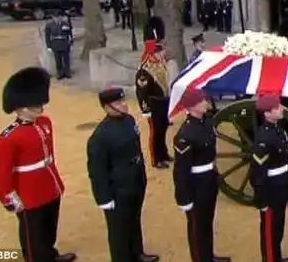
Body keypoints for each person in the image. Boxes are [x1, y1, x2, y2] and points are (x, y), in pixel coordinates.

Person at [0, 67, 77, 262]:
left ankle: (49, 255)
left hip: (49, 186)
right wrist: (10, 199)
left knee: (49, 229)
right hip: (29, 195)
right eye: (35, 105)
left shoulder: (44, 123)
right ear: (21, 107)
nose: (40, 108)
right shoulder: (8, 138)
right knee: (33, 238)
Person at [87, 87, 159, 262]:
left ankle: (137, 252)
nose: (124, 105)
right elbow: (97, 171)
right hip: (117, 189)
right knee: (118, 230)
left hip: (135, 181)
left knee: (134, 221)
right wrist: (104, 198)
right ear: (107, 107)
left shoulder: (129, 120)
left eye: (123, 100)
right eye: (118, 102)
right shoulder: (100, 136)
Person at [172, 88, 231, 262]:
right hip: (196, 185)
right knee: (197, 229)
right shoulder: (185, 135)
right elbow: (181, 171)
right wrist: (184, 199)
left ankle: (208, 256)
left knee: (207, 223)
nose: (205, 103)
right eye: (201, 101)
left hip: (209, 180)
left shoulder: (205, 123)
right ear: (191, 107)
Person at [249, 95, 288, 262]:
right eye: (277, 108)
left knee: (278, 228)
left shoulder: (277, 129)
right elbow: (257, 172)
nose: (282, 109)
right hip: (270, 191)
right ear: (267, 114)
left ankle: (276, 257)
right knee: (270, 232)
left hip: (280, 186)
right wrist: (262, 200)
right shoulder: (264, 138)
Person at [135, 40, 172, 169]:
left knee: (163, 129)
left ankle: (163, 154)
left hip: (163, 103)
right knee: (155, 132)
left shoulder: (160, 65)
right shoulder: (144, 72)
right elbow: (142, 93)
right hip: (153, 105)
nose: (163, 54)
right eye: (159, 52)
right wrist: (146, 111)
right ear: (152, 54)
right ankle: (156, 159)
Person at [44, 13, 74, 79]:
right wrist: (48, 46)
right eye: (56, 17)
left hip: (64, 42)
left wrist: (71, 43)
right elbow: (47, 36)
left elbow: (70, 34)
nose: (57, 18)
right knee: (58, 60)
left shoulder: (65, 23)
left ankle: (67, 72)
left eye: (59, 17)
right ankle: (60, 73)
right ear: (53, 18)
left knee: (66, 59)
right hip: (55, 43)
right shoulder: (49, 25)